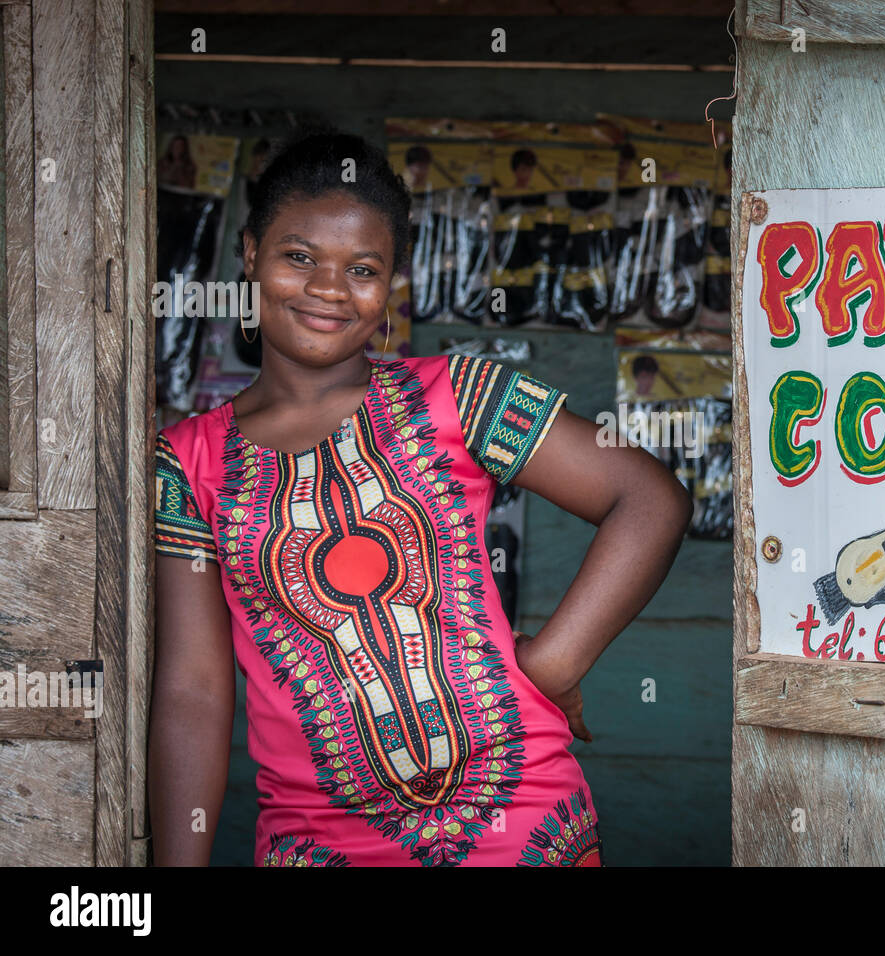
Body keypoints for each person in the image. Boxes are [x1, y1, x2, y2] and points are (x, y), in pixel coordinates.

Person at [150, 130, 693, 866]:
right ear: (249, 252)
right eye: (299, 256)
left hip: (518, 818)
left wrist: (551, 668)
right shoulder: (188, 464)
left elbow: (650, 497)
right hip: (320, 839)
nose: (329, 290)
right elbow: (194, 688)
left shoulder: (462, 398)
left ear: (393, 283)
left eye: (363, 268)